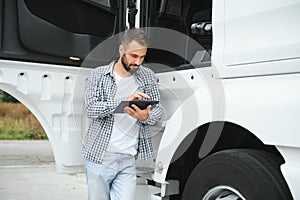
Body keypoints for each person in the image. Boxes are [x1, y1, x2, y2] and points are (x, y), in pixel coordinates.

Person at [82, 28, 163, 200]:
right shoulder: (98, 75)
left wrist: (146, 117)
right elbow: (90, 109)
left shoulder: (148, 76)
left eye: (142, 57)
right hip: (100, 156)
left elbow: (159, 110)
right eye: (134, 56)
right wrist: (123, 101)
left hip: (128, 158)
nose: (138, 62)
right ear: (121, 50)